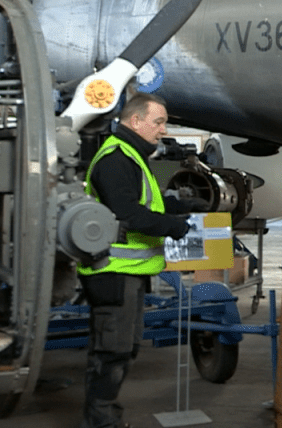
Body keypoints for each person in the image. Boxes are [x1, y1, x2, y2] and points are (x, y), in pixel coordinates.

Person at [77, 93, 201, 428]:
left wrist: (185, 208)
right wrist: (175, 227)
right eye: (158, 122)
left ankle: (107, 418)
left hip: (128, 273)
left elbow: (149, 204)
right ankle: (100, 422)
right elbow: (128, 213)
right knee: (111, 352)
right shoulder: (116, 158)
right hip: (112, 272)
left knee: (124, 349)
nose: (163, 130)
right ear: (136, 121)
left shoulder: (131, 155)